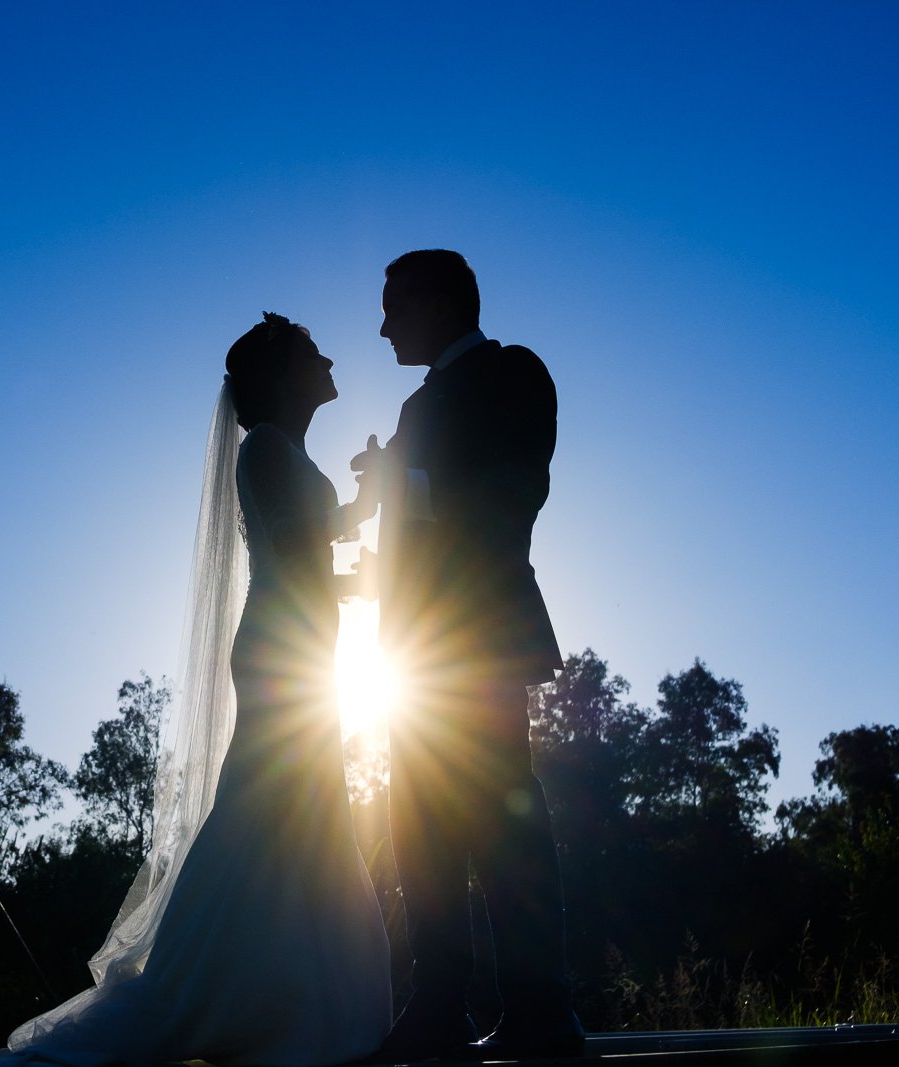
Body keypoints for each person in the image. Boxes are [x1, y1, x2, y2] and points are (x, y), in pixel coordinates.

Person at [0, 314, 391, 1067]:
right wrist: (366, 540)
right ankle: (220, 991)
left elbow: (305, 547)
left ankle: (278, 989)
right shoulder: (266, 448)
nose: (328, 356)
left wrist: (363, 522)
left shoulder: (283, 450)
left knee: (292, 817)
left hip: (301, 648)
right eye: (312, 350)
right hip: (281, 653)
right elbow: (299, 555)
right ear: (286, 375)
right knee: (270, 813)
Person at [352, 250, 584, 1060]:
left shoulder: (513, 374)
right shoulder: (417, 407)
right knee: (416, 824)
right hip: (411, 652)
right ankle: (439, 1005)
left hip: (477, 637)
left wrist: (405, 477)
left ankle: (541, 1006)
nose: (382, 326)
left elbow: (510, 496)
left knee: (501, 820)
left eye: (396, 306)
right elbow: (418, 530)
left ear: (443, 301)